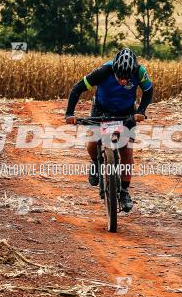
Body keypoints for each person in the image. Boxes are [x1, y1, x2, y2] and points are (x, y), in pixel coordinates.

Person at [65, 48, 153, 212]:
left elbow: (148, 91)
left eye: (126, 79)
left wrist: (140, 111)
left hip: (126, 113)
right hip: (101, 110)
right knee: (93, 143)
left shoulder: (139, 71)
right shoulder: (103, 70)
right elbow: (77, 89)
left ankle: (125, 191)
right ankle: (94, 163)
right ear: (114, 70)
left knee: (127, 152)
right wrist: (69, 113)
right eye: (119, 77)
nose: (122, 81)